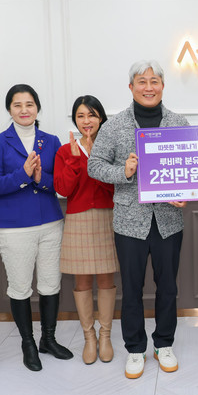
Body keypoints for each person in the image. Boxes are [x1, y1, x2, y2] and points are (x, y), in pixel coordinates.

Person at [88, 61, 189, 379]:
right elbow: (94, 165)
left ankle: (164, 344)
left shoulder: (178, 123)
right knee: (131, 288)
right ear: (131, 87)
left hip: (168, 220)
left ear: (163, 86)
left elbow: (189, 165)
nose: (149, 87)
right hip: (130, 221)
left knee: (168, 287)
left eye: (154, 81)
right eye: (142, 81)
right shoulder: (115, 125)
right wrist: (124, 171)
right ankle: (135, 348)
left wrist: (186, 192)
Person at [0, 84, 73, 371]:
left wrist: (38, 178)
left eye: (29, 104)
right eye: (17, 105)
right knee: (20, 287)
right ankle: (28, 344)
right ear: (9, 109)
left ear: (37, 108)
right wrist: (22, 174)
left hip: (50, 223)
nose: (24, 110)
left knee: (50, 284)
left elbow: (58, 182)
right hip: (15, 227)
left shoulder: (51, 141)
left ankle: (48, 339)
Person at [54, 95, 118, 365]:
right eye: (81, 116)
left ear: (101, 118)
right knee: (81, 282)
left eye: (91, 115)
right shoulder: (65, 151)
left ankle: (105, 336)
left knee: (105, 280)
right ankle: (89, 337)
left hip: (107, 217)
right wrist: (73, 161)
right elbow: (63, 189)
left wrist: (95, 161)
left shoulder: (110, 147)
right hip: (78, 219)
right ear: (75, 120)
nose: (86, 121)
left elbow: (116, 186)